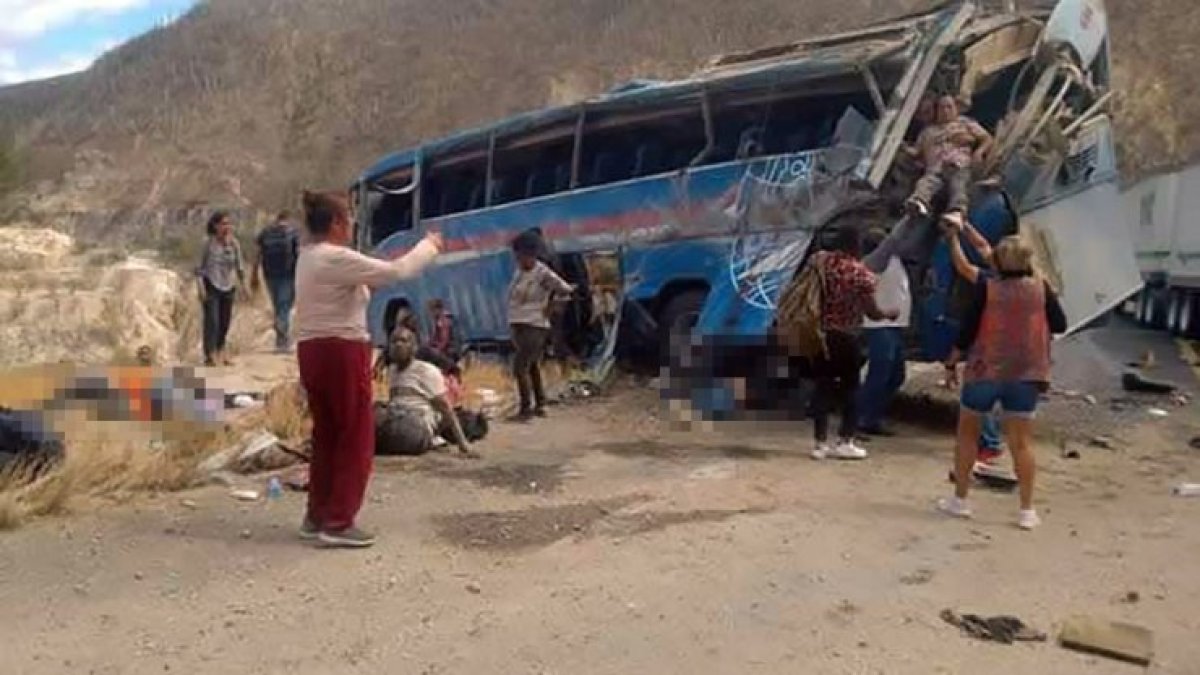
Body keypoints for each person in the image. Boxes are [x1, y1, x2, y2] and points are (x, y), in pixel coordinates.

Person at [294, 190, 441, 549]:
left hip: (312, 349)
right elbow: (397, 270)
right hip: (341, 350)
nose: (353, 226)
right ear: (336, 224)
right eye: (349, 220)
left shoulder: (308, 257)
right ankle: (340, 520)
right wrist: (430, 245)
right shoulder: (335, 257)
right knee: (357, 436)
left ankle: (319, 514)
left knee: (328, 435)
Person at [940, 235, 1067, 530]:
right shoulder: (1041, 287)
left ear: (998, 261)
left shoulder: (988, 286)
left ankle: (960, 501)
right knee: (1021, 443)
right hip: (1026, 374)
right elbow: (1060, 324)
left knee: (967, 435)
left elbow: (968, 329)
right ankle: (1026, 511)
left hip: (985, 370)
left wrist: (951, 361)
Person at [809, 227, 900, 460]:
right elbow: (873, 312)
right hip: (847, 336)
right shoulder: (861, 274)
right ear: (856, 247)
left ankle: (819, 444)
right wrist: (889, 313)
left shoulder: (821, 264)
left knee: (822, 387)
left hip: (820, 333)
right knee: (851, 388)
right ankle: (845, 440)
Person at [946, 219, 1011, 473]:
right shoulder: (1025, 278)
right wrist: (964, 224)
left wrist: (952, 238)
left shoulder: (990, 283)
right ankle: (990, 440)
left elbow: (963, 266)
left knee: (982, 395)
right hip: (1016, 346)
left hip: (990, 344)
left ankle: (991, 443)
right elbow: (983, 245)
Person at [508, 230, 574, 421]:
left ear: (531, 254)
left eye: (520, 256)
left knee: (520, 367)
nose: (518, 260)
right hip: (519, 324)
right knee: (533, 365)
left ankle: (525, 409)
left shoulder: (543, 273)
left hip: (534, 325)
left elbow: (566, 290)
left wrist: (552, 306)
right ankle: (540, 404)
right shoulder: (520, 272)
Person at [384, 326, 474, 457]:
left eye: (404, 341)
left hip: (416, 425)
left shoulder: (426, 371)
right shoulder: (392, 371)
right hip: (394, 421)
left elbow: (445, 408)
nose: (398, 345)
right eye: (394, 341)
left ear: (414, 347)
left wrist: (463, 444)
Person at [856, 227, 911, 437]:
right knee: (880, 374)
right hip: (879, 325)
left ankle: (871, 417)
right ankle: (862, 417)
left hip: (892, 326)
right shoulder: (874, 263)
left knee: (894, 374)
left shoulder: (893, 260)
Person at [906, 95, 993, 225]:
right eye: (942, 108)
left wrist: (979, 152)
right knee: (925, 184)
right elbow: (916, 152)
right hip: (935, 169)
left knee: (958, 185)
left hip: (958, 164)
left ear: (956, 109)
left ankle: (957, 212)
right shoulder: (927, 132)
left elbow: (986, 138)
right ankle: (919, 203)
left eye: (949, 107)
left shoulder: (964, 123)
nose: (946, 111)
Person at [196, 211, 245, 367]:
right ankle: (210, 354)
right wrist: (200, 288)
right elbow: (199, 268)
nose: (227, 227)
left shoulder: (234, 244)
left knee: (225, 322)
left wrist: (244, 286)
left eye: (229, 223)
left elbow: (240, 266)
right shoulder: (207, 244)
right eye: (223, 224)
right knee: (213, 322)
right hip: (211, 285)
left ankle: (221, 350)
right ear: (215, 226)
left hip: (228, 286)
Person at [251, 210, 300, 352]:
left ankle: (281, 337)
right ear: (288, 219)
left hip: (269, 274)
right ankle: (282, 342)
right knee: (285, 306)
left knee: (278, 306)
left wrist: (254, 274)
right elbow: (299, 254)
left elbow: (258, 253)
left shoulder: (265, 232)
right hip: (288, 274)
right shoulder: (292, 232)